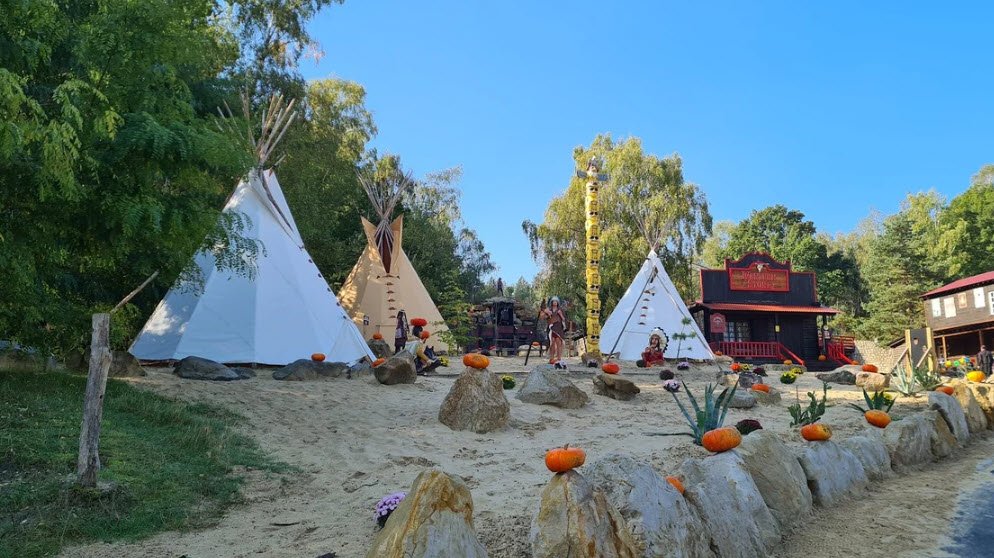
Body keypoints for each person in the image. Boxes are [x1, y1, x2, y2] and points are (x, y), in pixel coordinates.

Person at [541, 296, 567, 368]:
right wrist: (546, 313)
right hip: (552, 328)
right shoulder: (549, 310)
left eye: (556, 301)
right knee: (552, 343)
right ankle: (551, 358)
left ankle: (559, 358)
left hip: (558, 328)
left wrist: (560, 314)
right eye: (553, 301)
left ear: (558, 303)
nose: (555, 303)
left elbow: (564, 319)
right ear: (552, 302)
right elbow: (543, 317)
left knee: (558, 343)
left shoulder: (560, 310)